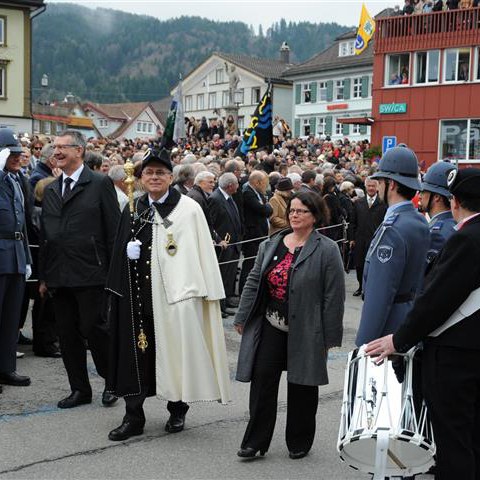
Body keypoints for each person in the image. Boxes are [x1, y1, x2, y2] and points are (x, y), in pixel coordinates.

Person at [106, 148, 230, 441]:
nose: (154, 177)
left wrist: (201, 292)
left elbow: (198, 253)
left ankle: (177, 408)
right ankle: (133, 415)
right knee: (136, 354)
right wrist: (126, 253)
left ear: (170, 176)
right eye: (148, 172)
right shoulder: (134, 208)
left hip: (175, 298)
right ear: (140, 178)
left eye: (160, 172)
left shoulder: (188, 209)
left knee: (175, 354)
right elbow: (120, 248)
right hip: (138, 297)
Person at [365, 168, 480, 480]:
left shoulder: (466, 239)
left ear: (454, 202)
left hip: (455, 357)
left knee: (453, 441)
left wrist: (398, 340)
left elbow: (435, 302)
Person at [234, 191, 345, 460]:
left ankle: (299, 441)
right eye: (292, 210)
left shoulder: (327, 249)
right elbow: (253, 281)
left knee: (303, 386)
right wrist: (242, 316)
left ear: (315, 216)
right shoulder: (271, 244)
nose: (294, 215)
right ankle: (255, 442)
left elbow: (334, 296)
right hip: (272, 323)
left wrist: (330, 337)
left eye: (301, 211)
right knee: (262, 382)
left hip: (308, 328)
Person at [39, 129, 120, 409]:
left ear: (79, 151)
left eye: (63, 147)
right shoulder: (50, 189)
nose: (56, 152)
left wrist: (114, 273)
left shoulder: (99, 183)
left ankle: (113, 383)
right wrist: (44, 277)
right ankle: (79, 389)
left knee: (95, 329)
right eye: (54, 147)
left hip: (92, 274)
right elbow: (46, 236)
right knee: (67, 334)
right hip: (59, 275)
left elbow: (113, 232)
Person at [355, 145, 430, 346]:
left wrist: (364, 344)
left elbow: (380, 295)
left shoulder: (392, 230)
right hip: (409, 320)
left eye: (380, 181)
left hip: (388, 328)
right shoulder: (418, 221)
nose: (377, 186)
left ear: (392, 184)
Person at [0, 128, 32, 390]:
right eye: (11, 152)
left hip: (17, 253)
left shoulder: (15, 180)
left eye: (19, 153)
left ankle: (7, 368)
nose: (17, 157)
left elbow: (22, 225)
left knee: (11, 316)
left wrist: (28, 258)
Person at [208, 172, 243, 318]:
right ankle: (220, 307)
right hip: (223, 245)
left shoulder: (228, 197)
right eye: (237, 184)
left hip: (233, 243)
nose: (238, 186)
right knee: (221, 276)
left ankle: (225, 302)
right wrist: (219, 240)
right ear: (230, 186)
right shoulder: (215, 199)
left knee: (228, 276)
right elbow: (211, 223)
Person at [350, 178, 387, 296]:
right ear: (365, 187)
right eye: (369, 186)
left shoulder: (383, 204)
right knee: (359, 265)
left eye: (373, 186)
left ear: (377, 187)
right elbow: (352, 222)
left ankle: (369, 288)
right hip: (360, 239)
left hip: (375, 240)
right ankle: (360, 286)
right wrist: (352, 238)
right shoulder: (358, 203)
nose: (371, 188)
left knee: (373, 265)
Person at [239, 170, 273, 295]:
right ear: (258, 182)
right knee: (250, 264)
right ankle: (245, 290)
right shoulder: (248, 193)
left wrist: (266, 206)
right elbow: (264, 209)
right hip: (253, 234)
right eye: (265, 183)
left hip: (261, 232)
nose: (266, 186)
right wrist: (267, 206)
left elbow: (265, 206)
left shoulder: (257, 193)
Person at [418, 161, 457, 266]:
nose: (420, 196)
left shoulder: (436, 234)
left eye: (424, 191)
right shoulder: (455, 224)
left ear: (436, 197)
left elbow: (427, 277)